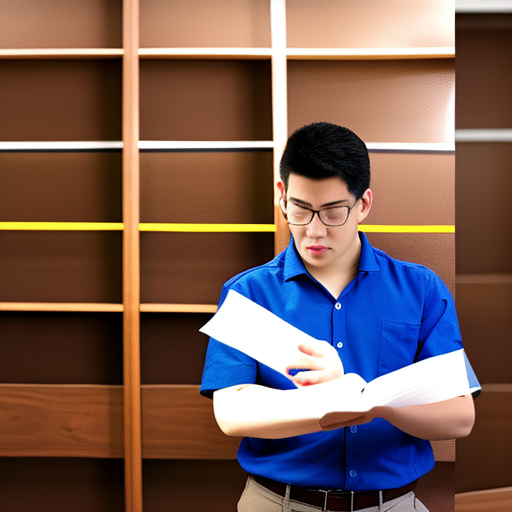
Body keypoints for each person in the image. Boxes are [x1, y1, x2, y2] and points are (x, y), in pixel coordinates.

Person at [200, 122, 479, 512]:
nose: (314, 231)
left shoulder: (421, 290)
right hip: (276, 502)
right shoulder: (250, 293)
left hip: (393, 504)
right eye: (299, 209)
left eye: (333, 212)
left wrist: (365, 398)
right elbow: (232, 413)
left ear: (363, 204)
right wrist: (333, 398)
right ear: (282, 197)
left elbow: (459, 416)